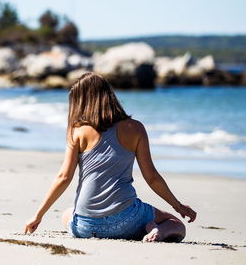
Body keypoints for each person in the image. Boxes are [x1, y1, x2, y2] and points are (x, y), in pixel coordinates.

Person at [23, 72, 197, 242]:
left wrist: (37, 216)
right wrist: (178, 206)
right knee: (176, 225)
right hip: (127, 222)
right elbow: (152, 178)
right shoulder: (136, 129)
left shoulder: (77, 131)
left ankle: (136, 226)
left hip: (84, 227)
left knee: (67, 214)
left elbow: (63, 177)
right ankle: (155, 229)